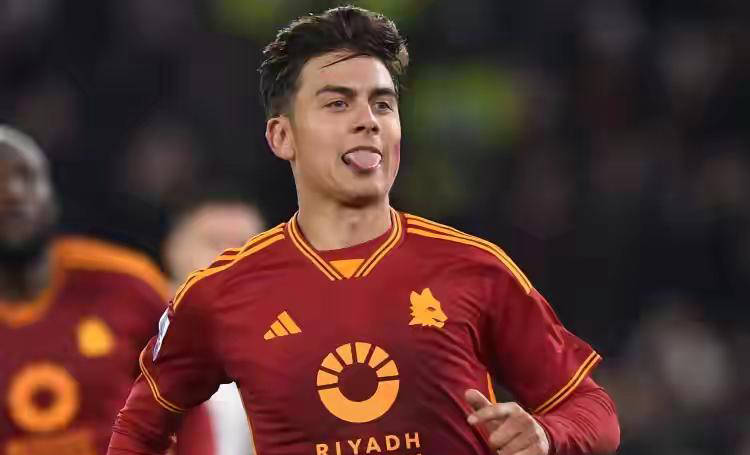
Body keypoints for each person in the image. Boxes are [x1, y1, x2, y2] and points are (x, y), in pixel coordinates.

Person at [109, 6, 620, 455]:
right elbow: (139, 428)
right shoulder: (219, 293)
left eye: (382, 103)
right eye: (338, 103)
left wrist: (547, 434)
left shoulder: (475, 268)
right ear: (282, 136)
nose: (368, 121)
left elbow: (591, 409)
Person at [0, 125, 212, 455]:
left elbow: (188, 392)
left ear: (52, 195)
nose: (13, 193)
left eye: (28, 177)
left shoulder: (125, 284)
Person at [162, 192, 265, 455]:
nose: (230, 256)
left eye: (245, 245)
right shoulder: (131, 335)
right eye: (214, 242)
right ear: (173, 248)